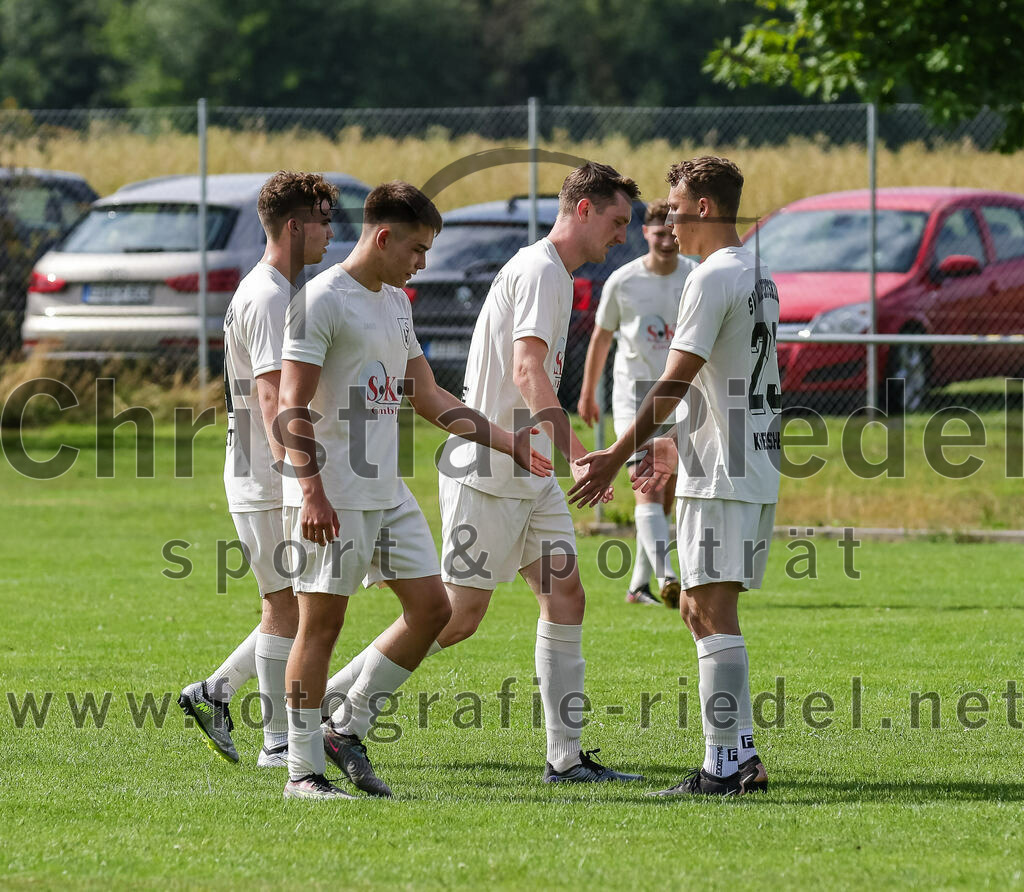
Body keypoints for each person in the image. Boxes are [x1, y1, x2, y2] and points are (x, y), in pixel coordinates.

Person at [277, 181, 552, 801]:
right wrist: (312, 492)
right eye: (417, 249)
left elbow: (425, 395)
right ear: (382, 237)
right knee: (320, 627)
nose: (423, 262)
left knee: (434, 610)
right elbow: (290, 406)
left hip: (388, 490)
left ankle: (344, 728)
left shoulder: (397, 303)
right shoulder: (320, 301)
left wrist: (506, 441)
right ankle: (301, 772)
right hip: (334, 492)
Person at [568, 156, 780, 796]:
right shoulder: (757, 273)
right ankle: (741, 755)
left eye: (679, 210)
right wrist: (672, 444)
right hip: (741, 460)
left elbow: (675, 380)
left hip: (722, 471)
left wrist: (615, 452)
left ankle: (724, 766)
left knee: (709, 610)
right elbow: (724, 380)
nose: (671, 222)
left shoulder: (711, 277)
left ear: (705, 208)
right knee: (695, 606)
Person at [432, 161, 642, 783]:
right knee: (454, 618)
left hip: (531, 474)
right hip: (490, 470)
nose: (622, 236)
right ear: (583, 209)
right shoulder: (542, 271)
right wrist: (579, 453)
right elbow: (527, 372)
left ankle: (565, 759)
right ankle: (338, 711)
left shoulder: (555, 273)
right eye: (617, 221)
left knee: (565, 596)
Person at [178, 171, 337, 768]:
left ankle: (214, 694)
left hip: (263, 472)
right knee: (289, 606)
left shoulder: (273, 288)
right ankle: (277, 741)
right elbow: (273, 399)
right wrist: (301, 479)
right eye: (322, 221)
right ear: (294, 227)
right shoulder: (270, 296)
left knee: (292, 602)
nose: (331, 233)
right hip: (266, 476)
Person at [577, 198, 696, 607]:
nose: (666, 240)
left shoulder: (695, 276)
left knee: (667, 493)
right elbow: (601, 337)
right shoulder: (623, 281)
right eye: (658, 233)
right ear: (645, 233)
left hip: (681, 397)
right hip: (634, 397)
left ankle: (638, 585)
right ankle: (667, 576)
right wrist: (588, 391)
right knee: (648, 485)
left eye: (672, 232)